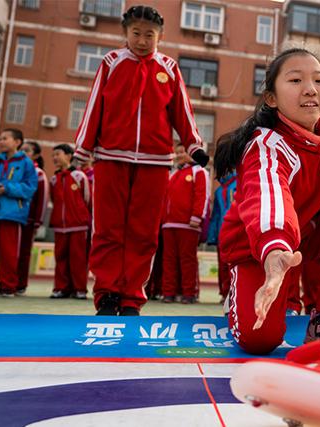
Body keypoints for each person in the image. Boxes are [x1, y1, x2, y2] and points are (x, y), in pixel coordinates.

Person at [214, 48, 320, 360]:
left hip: (299, 242)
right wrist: (275, 253)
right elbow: (269, 193)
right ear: (271, 98)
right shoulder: (266, 146)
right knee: (259, 339)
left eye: (319, 80)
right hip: (259, 247)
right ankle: (247, 291)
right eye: (295, 80)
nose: (310, 89)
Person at [72, 5, 209, 315]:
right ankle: (107, 294)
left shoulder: (169, 68)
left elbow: (182, 112)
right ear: (126, 34)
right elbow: (94, 106)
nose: (143, 40)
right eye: (136, 34)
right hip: (110, 157)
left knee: (143, 232)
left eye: (150, 35)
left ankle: (132, 297)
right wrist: (83, 147)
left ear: (159, 37)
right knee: (108, 229)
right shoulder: (111, 63)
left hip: (155, 161)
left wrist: (194, 145)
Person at [0, 129, 37, 296]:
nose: (1, 141)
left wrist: (7, 188)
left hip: (13, 214)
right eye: (0, 138)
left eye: (5, 138)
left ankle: (7, 286)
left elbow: (30, 188)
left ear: (17, 142)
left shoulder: (26, 163)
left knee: (9, 253)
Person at [161, 144, 210, 304]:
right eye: (178, 152)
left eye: (183, 152)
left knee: (187, 260)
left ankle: (189, 293)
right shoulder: (173, 173)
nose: (180, 155)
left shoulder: (199, 172)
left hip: (189, 225)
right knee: (169, 260)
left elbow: (202, 196)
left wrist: (197, 217)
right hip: (169, 224)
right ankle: (169, 292)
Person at [49, 144, 91, 299]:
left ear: (69, 155)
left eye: (58, 154)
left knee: (78, 258)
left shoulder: (80, 177)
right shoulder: (54, 179)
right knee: (60, 258)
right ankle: (61, 288)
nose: (54, 158)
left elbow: (87, 199)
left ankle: (79, 289)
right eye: (53, 155)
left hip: (78, 226)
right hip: (60, 226)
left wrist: (80, 217)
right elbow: (54, 200)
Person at [17, 141, 48, 295]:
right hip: (13, 218)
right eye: (21, 150)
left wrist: (38, 222)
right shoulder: (15, 171)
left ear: (35, 155)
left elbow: (42, 200)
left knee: (23, 253)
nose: (23, 153)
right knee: (9, 253)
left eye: (27, 151)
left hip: (28, 221)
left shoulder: (39, 173)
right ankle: (7, 282)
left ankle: (20, 284)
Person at [207, 169, 237, 303]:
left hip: (236, 234)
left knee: (234, 266)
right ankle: (225, 294)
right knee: (223, 266)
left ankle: (235, 293)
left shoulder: (239, 184)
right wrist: (213, 236)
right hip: (222, 233)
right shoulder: (219, 190)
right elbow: (216, 216)